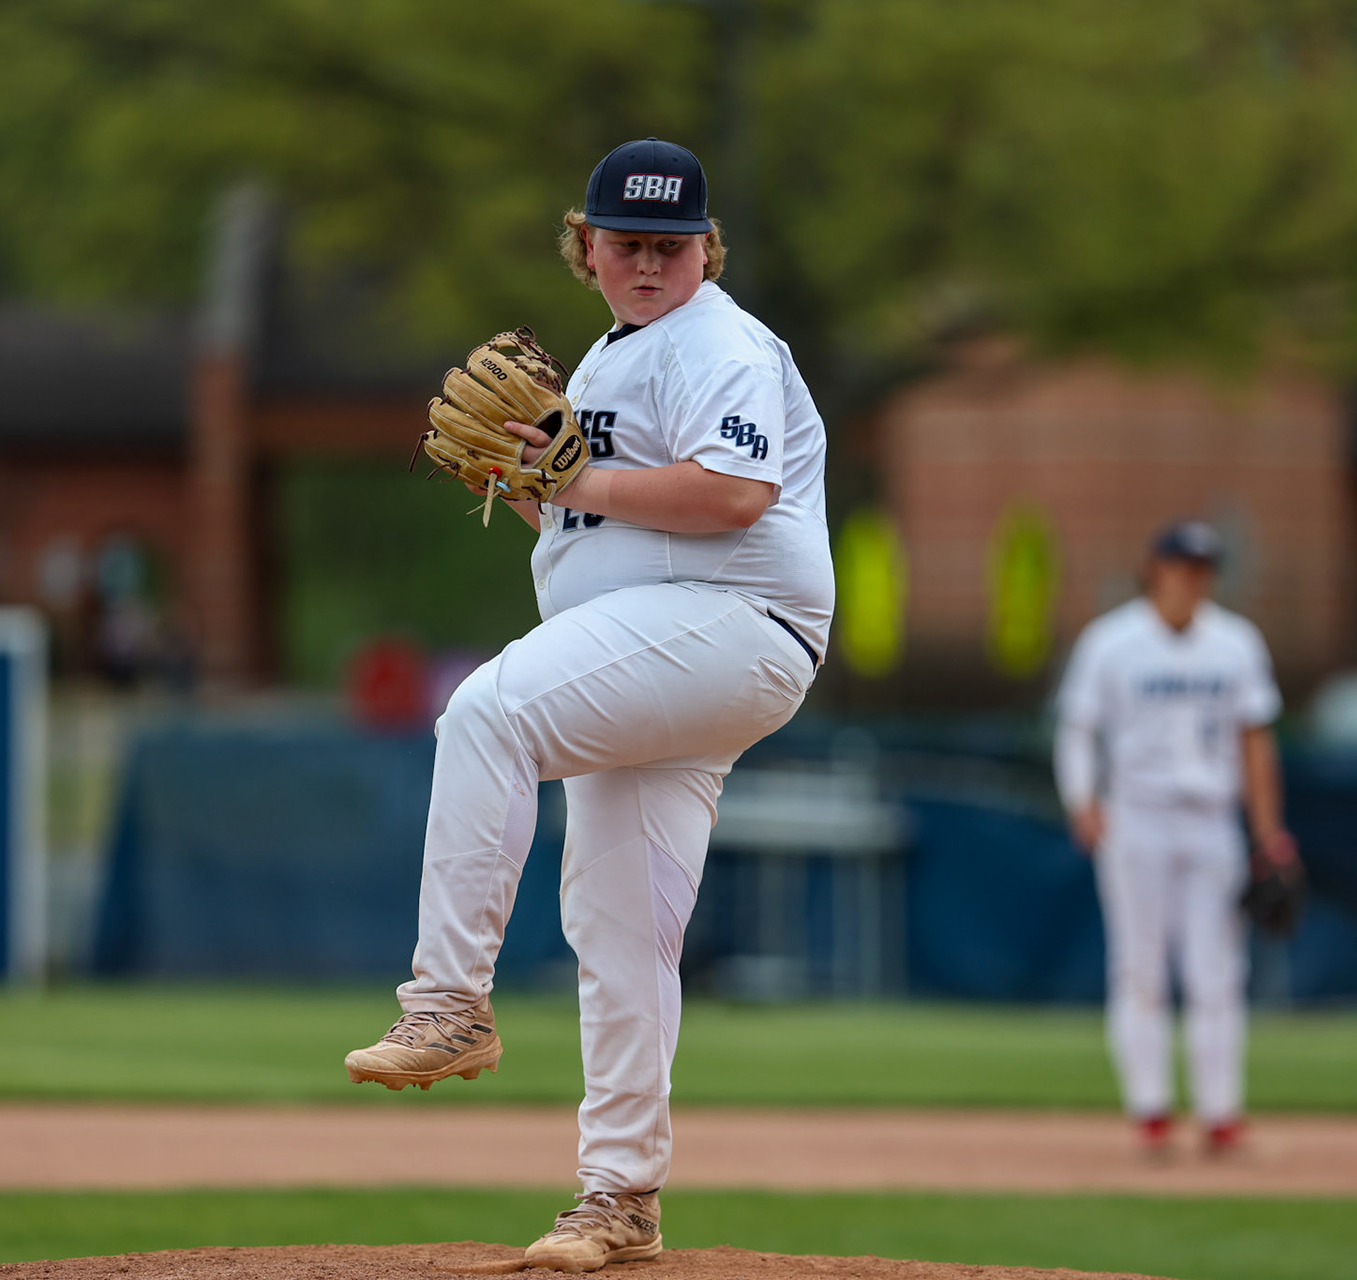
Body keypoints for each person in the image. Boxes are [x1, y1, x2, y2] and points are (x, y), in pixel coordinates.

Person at [344, 137, 832, 1271]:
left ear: (707, 249)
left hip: (733, 620)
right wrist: (520, 487)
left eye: (672, 243)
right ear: (588, 250)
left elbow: (731, 493)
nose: (649, 262)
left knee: (485, 712)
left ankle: (448, 996)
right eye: (627, 243)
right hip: (654, 642)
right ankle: (620, 1193)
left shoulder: (724, 345)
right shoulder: (607, 367)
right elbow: (590, 526)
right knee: (619, 926)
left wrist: (570, 479)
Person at [1054, 520, 1297, 1158]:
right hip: (1137, 815)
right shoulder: (1111, 642)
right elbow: (1077, 728)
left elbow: (1256, 739)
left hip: (1211, 819)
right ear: (1156, 567)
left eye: (1205, 567)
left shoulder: (1236, 643)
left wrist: (1268, 833)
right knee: (1140, 968)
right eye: (1184, 564)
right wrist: (1083, 801)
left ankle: (1220, 1114)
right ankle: (1152, 1111)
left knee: (1217, 970)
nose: (1195, 577)